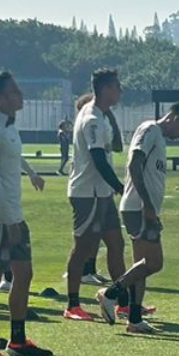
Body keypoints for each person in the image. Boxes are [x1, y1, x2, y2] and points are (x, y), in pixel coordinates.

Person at [0, 72, 54, 356]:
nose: (19, 95)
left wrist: (32, 174)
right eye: (13, 91)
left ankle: (17, 340)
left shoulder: (8, 126)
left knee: (24, 273)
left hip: (13, 214)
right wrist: (8, 221)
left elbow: (14, 156)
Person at [100, 103, 179, 333]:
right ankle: (111, 293)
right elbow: (135, 162)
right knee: (154, 263)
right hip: (139, 208)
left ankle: (134, 319)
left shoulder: (158, 137)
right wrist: (146, 203)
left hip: (141, 207)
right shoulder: (150, 130)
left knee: (141, 266)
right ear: (174, 118)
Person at [62, 71, 127, 321]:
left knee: (116, 244)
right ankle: (72, 305)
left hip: (102, 192)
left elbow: (114, 147)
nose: (120, 91)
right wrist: (120, 186)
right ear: (106, 88)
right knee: (83, 247)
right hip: (87, 192)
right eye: (117, 87)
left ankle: (121, 301)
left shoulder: (101, 115)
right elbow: (98, 158)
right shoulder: (91, 118)